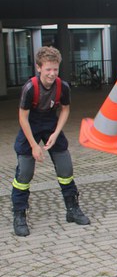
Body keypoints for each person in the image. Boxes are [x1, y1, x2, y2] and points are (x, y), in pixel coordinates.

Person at [11, 46, 90, 237]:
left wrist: (55, 133)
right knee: (25, 174)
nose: (52, 73)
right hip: (31, 124)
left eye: (55, 69)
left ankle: (72, 210)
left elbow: (65, 109)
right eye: (48, 69)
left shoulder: (63, 87)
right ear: (39, 68)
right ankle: (19, 215)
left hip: (51, 122)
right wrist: (33, 146)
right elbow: (22, 118)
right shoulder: (30, 88)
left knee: (65, 169)